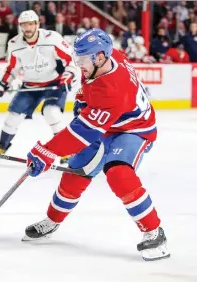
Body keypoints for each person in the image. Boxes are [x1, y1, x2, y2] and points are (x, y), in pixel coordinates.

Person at [23, 29, 170, 262]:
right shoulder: (110, 58)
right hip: (108, 122)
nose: (79, 63)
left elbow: (82, 132)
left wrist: (46, 151)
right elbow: (90, 96)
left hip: (134, 130)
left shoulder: (112, 90)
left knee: (118, 173)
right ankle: (52, 221)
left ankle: (154, 231)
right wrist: (74, 76)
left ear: (100, 57)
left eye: (82, 60)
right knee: (76, 171)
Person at [0, 10, 80, 165]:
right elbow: (12, 69)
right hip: (29, 86)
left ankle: (66, 152)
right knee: (13, 117)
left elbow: (71, 59)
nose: (28, 28)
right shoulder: (14, 44)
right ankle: (1, 148)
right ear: (20, 26)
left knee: (51, 113)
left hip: (54, 84)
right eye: (24, 25)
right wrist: (2, 84)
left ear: (37, 24)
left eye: (31, 24)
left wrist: (69, 75)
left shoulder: (52, 38)